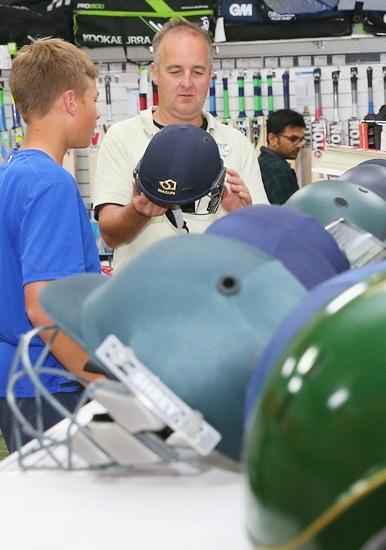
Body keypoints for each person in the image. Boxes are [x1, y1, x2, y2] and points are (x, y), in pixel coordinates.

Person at [94, 19, 268, 271]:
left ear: (209, 74)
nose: (187, 82)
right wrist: (138, 211)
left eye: (197, 72)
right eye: (175, 71)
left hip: (219, 300)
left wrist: (243, 215)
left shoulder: (237, 143)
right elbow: (110, 234)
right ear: (155, 73)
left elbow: (263, 239)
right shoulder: (121, 137)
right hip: (145, 301)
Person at [0, 38, 101, 452]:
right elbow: (42, 304)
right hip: (51, 385)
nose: (96, 112)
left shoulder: (11, 176)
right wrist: (105, 384)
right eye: (94, 99)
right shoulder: (51, 184)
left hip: (18, 383)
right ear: (70, 102)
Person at [258, 109, 306, 205]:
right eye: (293, 139)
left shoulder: (264, 161)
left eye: (301, 139)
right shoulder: (275, 169)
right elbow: (289, 214)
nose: (299, 145)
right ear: (272, 139)